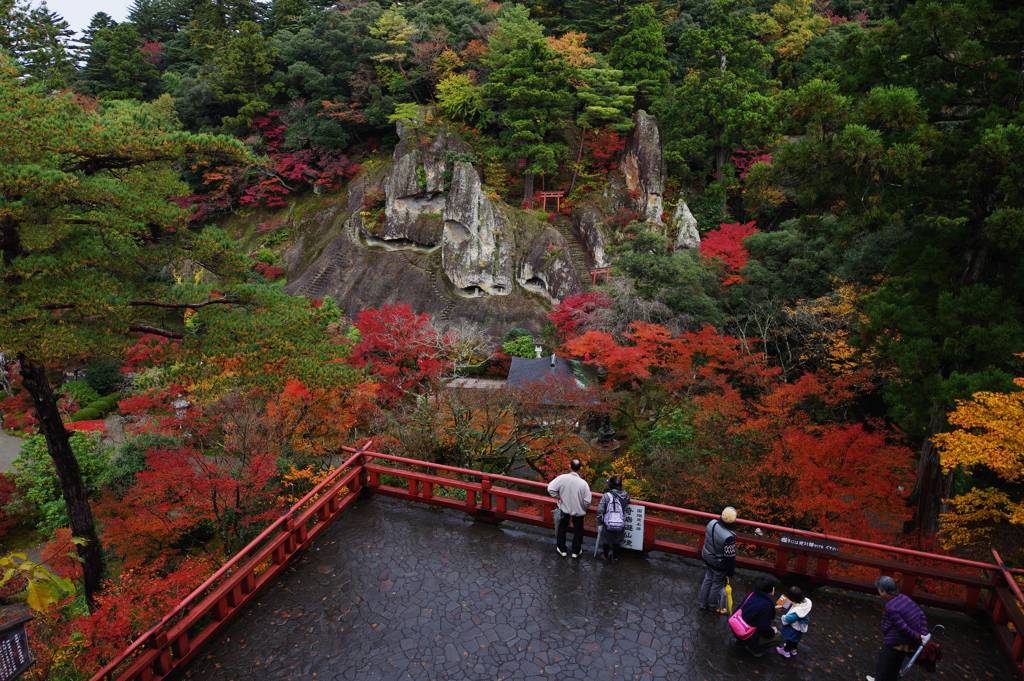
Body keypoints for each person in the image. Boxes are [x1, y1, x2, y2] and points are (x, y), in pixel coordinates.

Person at [866, 575, 928, 681]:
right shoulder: (904, 597)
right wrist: (923, 634)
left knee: (884, 666)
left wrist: (919, 636)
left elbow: (902, 628)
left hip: (895, 642)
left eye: (879, 588)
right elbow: (921, 615)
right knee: (895, 666)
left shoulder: (891, 607)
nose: (878, 590)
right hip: (907, 643)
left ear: (884, 591)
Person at [547, 458, 591, 558]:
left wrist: (558, 497)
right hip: (578, 510)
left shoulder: (562, 478)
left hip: (564, 507)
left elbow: (550, 488)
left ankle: (562, 549)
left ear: (569, 466)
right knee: (578, 530)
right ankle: (575, 551)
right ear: (580, 468)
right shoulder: (583, 484)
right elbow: (587, 501)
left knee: (562, 528)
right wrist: (583, 507)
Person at [698, 506, 737, 614]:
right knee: (716, 584)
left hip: (708, 557)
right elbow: (730, 558)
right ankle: (712, 606)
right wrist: (730, 573)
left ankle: (702, 603)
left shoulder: (712, 523)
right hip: (718, 564)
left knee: (708, 579)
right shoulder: (729, 538)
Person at [737, 576, 784, 657]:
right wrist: (772, 631)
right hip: (749, 633)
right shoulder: (767, 605)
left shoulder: (751, 595)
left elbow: (755, 609)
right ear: (769, 590)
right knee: (778, 636)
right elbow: (763, 627)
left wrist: (773, 608)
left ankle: (741, 641)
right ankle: (752, 646)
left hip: (738, 627)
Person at [596, 476, 630, 563]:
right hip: (619, 521)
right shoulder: (625, 496)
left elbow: (600, 509)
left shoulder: (607, 496)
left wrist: (600, 521)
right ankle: (615, 558)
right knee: (617, 541)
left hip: (608, 521)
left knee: (606, 540)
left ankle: (605, 556)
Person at [775, 586, 812, 658]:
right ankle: (793, 649)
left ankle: (786, 651)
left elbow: (788, 619)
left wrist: (783, 617)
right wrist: (789, 604)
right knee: (796, 639)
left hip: (794, 627)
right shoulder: (806, 602)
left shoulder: (797, 612)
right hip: (800, 627)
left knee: (790, 639)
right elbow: (796, 604)